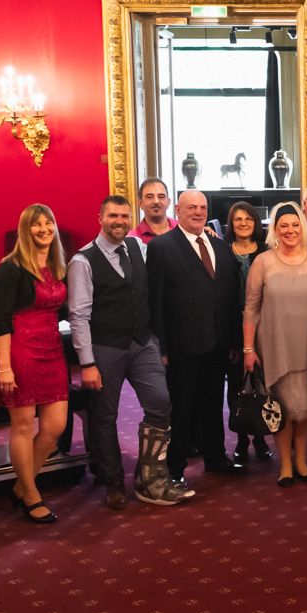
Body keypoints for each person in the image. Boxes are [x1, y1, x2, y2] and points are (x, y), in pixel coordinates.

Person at [70, 195, 187, 510]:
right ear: (101, 218)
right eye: (113, 216)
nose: (119, 221)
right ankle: (112, 481)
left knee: (161, 403)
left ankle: (150, 476)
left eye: (124, 216)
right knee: (104, 416)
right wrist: (87, 363)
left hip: (142, 343)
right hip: (105, 348)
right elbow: (78, 317)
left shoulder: (140, 248)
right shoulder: (82, 261)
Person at [242, 203, 307, 487]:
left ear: (302, 227)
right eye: (283, 225)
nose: (289, 230)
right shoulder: (263, 261)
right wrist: (249, 349)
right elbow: (251, 308)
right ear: (275, 229)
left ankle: (302, 460)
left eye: (294, 224)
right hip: (275, 345)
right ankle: (285, 464)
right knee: (282, 407)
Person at [148, 190, 246, 480]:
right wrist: (161, 346)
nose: (198, 212)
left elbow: (229, 296)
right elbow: (154, 301)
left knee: (214, 404)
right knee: (182, 408)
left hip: (218, 343)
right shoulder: (161, 247)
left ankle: (216, 456)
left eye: (203, 207)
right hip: (181, 347)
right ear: (177, 209)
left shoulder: (221, 246)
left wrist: (232, 341)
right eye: (191, 207)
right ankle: (175, 466)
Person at [0, 204, 71, 524]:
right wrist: (4, 366)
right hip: (19, 350)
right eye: (36, 224)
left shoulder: (57, 265)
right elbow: (1, 321)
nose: (43, 229)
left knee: (54, 427)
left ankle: (21, 486)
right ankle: (31, 494)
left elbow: (62, 309)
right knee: (23, 426)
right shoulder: (10, 268)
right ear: (26, 230)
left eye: (48, 223)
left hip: (51, 347)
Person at [223, 201, 270, 463]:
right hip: (232, 328)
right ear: (231, 223)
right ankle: (241, 439)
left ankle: (261, 437)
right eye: (238, 219)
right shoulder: (221, 250)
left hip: (262, 326)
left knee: (261, 384)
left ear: (256, 222)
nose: (243, 223)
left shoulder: (266, 252)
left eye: (248, 219)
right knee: (237, 387)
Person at [130, 177, 174, 242]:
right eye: (149, 197)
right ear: (140, 203)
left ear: (168, 202)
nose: (156, 201)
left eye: (161, 197)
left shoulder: (183, 229)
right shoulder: (132, 239)